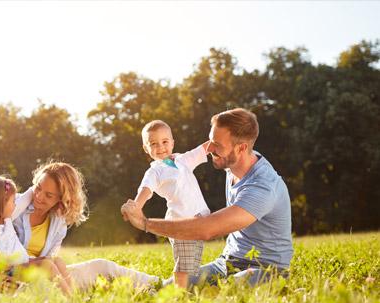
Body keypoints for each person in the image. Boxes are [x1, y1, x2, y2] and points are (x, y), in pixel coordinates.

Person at [121, 108, 293, 287]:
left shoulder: (263, 186)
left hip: (265, 269)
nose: (210, 149)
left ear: (241, 148)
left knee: (227, 291)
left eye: (217, 145)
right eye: (210, 141)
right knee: (170, 288)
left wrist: (145, 223)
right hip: (226, 264)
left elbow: (206, 229)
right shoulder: (232, 164)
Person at [0, 163, 161, 294]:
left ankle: (158, 285)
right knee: (50, 271)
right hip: (10, 281)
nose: (40, 197)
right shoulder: (13, 205)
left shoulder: (59, 223)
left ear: (62, 199)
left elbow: (50, 264)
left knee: (102, 266)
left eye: (49, 195)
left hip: (40, 277)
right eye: (38, 188)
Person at [0, 175, 72, 294]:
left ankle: (74, 293)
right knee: (47, 265)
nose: (16, 204)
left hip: (22, 264)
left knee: (56, 261)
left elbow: (27, 197)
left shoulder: (6, 221)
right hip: (9, 272)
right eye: (13, 201)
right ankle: (70, 300)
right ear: (1, 204)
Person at [134, 119, 210, 289]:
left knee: (192, 262)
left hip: (199, 217)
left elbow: (203, 149)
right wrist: (136, 206)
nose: (160, 147)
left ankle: (185, 290)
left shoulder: (182, 160)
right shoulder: (155, 171)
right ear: (146, 149)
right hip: (180, 221)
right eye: (153, 144)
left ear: (172, 143)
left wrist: (220, 141)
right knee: (183, 265)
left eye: (165, 142)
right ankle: (179, 295)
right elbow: (146, 189)